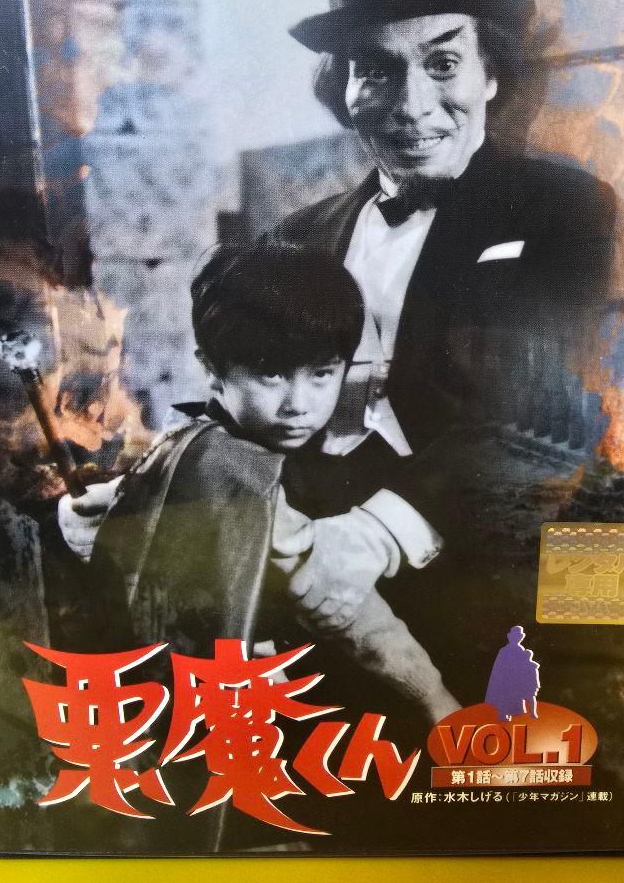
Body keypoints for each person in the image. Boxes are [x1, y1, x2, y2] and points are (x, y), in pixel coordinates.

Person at [270, 0, 620, 704]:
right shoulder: (294, 239)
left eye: (442, 62)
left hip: (481, 605)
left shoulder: (563, 210)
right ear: (343, 88)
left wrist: (376, 536)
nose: (413, 104)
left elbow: (539, 414)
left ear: (491, 72)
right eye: (375, 68)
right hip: (311, 613)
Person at [57, 243, 459, 726]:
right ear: (211, 369)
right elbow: (346, 609)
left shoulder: (196, 442)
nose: (298, 403)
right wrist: (436, 699)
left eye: (321, 374)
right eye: (270, 375)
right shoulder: (228, 462)